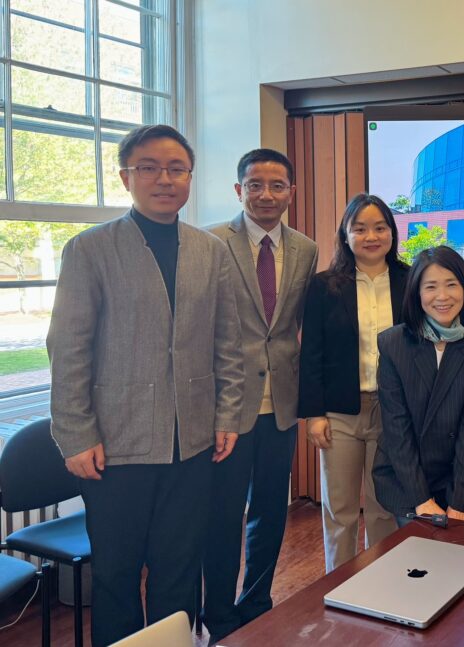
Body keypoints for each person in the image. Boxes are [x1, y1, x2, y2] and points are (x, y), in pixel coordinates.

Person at [47, 124, 244, 646]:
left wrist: (226, 415)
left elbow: (228, 342)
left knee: (179, 567)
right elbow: (68, 350)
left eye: (176, 169)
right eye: (149, 168)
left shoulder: (210, 250)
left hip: (193, 440)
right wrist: (75, 434)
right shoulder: (90, 249)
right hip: (114, 444)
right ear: (125, 177)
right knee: (115, 572)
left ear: (190, 178)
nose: (164, 179)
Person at [202, 148, 318, 641]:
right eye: (255, 184)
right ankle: (218, 616)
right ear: (239, 190)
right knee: (224, 515)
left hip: (283, 402)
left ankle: (257, 604)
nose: (266, 194)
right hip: (226, 406)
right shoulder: (208, 243)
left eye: (277, 185)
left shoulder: (307, 249)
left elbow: (293, 326)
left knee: (272, 510)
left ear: (291, 192)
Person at [298, 194, 408, 571]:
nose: (371, 236)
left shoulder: (410, 282)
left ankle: (382, 587)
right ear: (346, 235)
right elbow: (310, 352)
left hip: (393, 412)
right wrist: (314, 414)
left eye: (380, 227)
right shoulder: (324, 286)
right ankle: (339, 587)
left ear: (392, 233)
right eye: (359, 228)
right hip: (340, 412)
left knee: (383, 509)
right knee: (340, 509)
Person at [372, 246, 464, 525]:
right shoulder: (394, 344)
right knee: (416, 561)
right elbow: (397, 428)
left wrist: (460, 502)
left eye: (451, 284)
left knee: (455, 559)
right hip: (405, 480)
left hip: (452, 477)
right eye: (430, 287)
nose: (442, 296)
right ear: (417, 294)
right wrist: (421, 499)